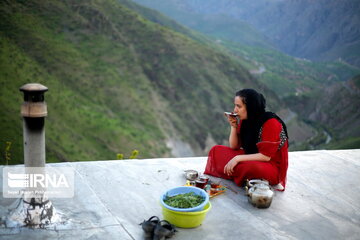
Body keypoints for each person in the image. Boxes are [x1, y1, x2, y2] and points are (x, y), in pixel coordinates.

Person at [204, 89, 289, 190]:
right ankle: (239, 174)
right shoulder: (246, 120)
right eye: (235, 105)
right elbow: (234, 146)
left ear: (251, 107)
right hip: (250, 157)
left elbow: (266, 156)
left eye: (239, 106)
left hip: (270, 165)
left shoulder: (270, 122)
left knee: (247, 168)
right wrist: (234, 126)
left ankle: (238, 173)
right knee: (216, 151)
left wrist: (237, 159)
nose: (235, 110)